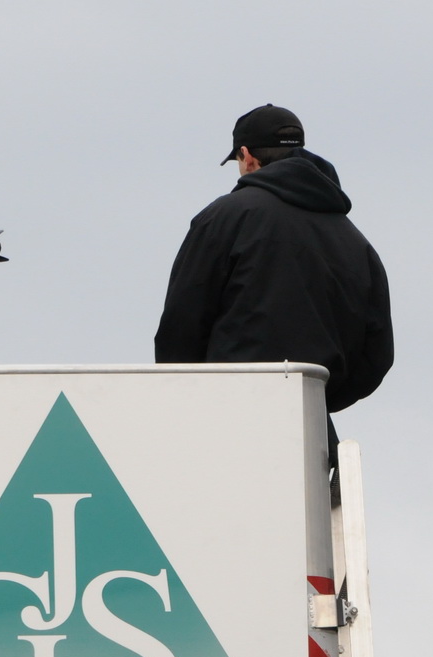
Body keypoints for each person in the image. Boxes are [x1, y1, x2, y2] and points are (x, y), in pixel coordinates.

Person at [155, 105, 393, 446]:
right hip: (311, 431)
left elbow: (181, 325)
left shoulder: (224, 218)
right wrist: (317, 394)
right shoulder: (357, 242)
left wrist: (187, 397)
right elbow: (377, 354)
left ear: (246, 156)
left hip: (226, 422)